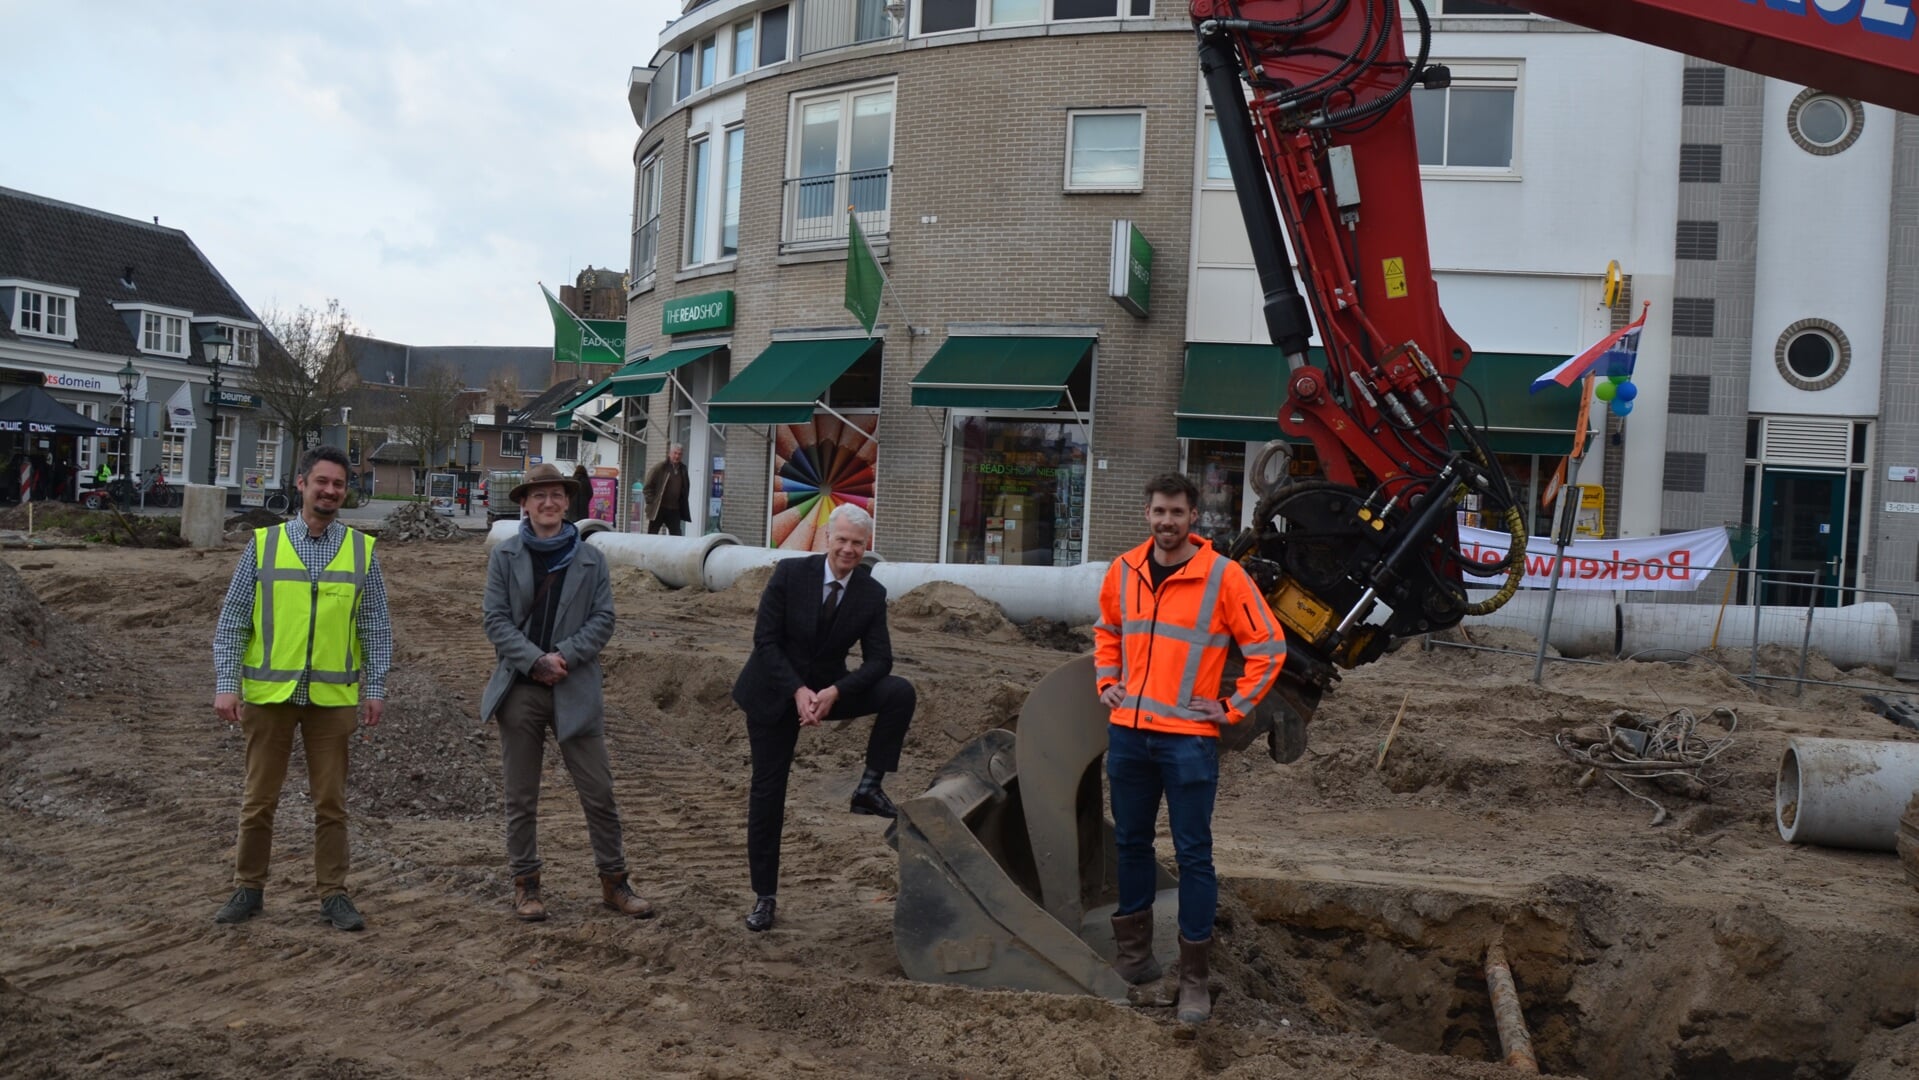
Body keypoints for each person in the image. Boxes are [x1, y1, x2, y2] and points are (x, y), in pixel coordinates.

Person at [1093, 472, 1286, 1024]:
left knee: (1193, 855)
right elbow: (1106, 629)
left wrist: (1230, 709)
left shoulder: (1223, 577)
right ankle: (1135, 959)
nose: (1166, 522)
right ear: (1147, 514)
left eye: (1177, 513)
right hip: (1129, 734)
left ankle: (1194, 980)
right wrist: (1108, 681)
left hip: (1187, 741)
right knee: (1130, 844)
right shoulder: (1124, 569)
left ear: (1194, 517)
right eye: (1158, 512)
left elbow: (1268, 649)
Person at [211, 445, 391, 932]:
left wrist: (374, 687)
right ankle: (248, 888)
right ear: (302, 484)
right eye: (322, 482)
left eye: (339, 484)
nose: (330, 491)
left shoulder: (361, 551)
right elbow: (232, 622)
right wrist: (227, 684)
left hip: (331, 701)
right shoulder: (263, 545)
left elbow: (375, 627)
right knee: (258, 800)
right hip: (269, 698)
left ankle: (333, 894)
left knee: (330, 804)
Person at [481, 462, 653, 923]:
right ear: (524, 504)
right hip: (520, 687)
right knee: (521, 796)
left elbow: (604, 620)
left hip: (574, 686)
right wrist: (534, 660)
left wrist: (564, 656)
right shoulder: (505, 556)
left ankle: (614, 883)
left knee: (599, 792)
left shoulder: (592, 559)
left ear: (568, 501)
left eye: (556, 494)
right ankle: (527, 885)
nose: (548, 503)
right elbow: (494, 620)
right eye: (539, 496)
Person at [731, 503, 914, 933]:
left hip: (829, 691)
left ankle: (869, 789)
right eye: (842, 540)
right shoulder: (790, 575)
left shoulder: (871, 593)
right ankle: (764, 897)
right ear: (826, 539)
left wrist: (836, 691)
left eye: (857, 543)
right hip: (774, 693)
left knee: (899, 692)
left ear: (866, 547)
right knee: (768, 795)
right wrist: (797, 691)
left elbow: (881, 660)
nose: (848, 550)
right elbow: (765, 642)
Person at [643, 444, 691, 535]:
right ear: (670, 454)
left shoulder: (683, 469)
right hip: (659, 507)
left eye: (679, 454)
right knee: (652, 533)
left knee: (676, 535)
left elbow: (685, 487)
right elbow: (647, 486)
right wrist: (652, 501)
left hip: (674, 509)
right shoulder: (660, 467)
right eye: (675, 453)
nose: (677, 456)